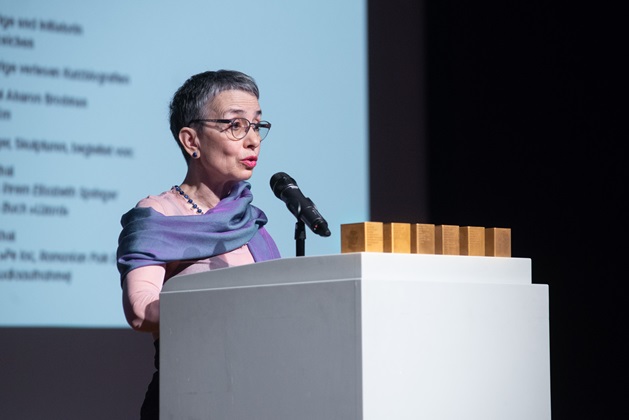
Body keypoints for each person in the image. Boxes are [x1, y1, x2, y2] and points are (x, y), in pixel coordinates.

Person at [116, 69, 281, 420]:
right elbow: (140, 309)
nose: (252, 140)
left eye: (257, 125)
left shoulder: (251, 223)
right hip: (189, 394)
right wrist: (225, 305)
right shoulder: (159, 213)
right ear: (191, 141)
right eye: (236, 126)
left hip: (258, 394)